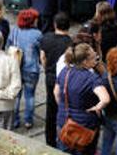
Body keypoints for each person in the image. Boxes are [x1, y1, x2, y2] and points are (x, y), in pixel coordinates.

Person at [54, 43, 110, 155]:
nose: (96, 59)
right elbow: (105, 99)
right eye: (94, 58)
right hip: (84, 126)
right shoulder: (92, 79)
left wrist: (65, 107)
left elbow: (56, 92)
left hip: (64, 121)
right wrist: (97, 108)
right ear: (85, 61)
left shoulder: (65, 71)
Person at [41, 13, 73, 146]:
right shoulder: (70, 42)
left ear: (55, 25)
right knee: (66, 106)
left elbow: (42, 57)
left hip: (50, 76)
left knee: (51, 109)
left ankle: (50, 140)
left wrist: (47, 68)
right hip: (64, 78)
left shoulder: (46, 38)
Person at [11, 8, 43, 130]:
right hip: (31, 69)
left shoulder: (14, 32)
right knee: (30, 95)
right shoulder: (38, 34)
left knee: (16, 95)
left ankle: (15, 120)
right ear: (32, 21)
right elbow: (41, 51)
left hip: (16, 67)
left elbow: (8, 47)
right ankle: (28, 120)